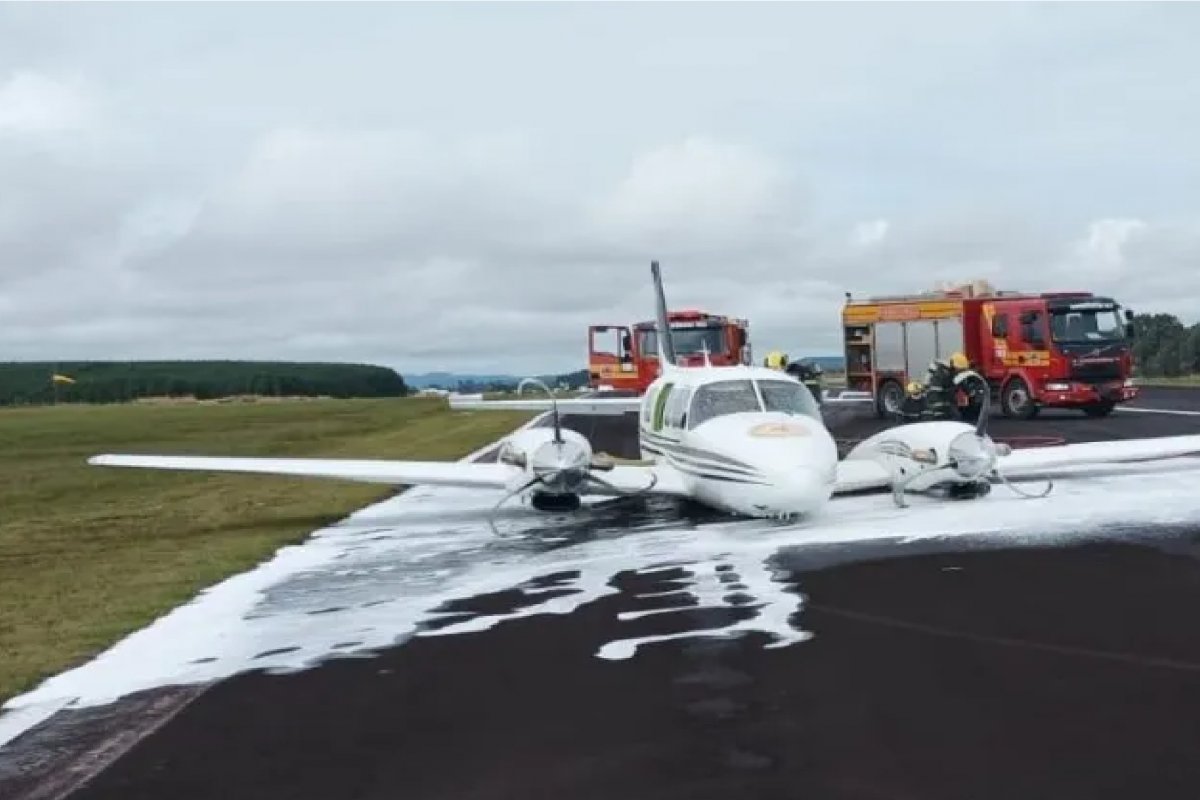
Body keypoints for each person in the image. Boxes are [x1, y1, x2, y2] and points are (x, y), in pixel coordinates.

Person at [922, 351, 970, 419]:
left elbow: (961, 384)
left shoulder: (953, 373)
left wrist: (970, 392)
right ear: (953, 366)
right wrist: (940, 410)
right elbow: (933, 394)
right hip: (935, 404)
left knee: (957, 416)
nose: (961, 372)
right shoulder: (941, 374)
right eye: (959, 369)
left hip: (947, 401)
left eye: (962, 370)